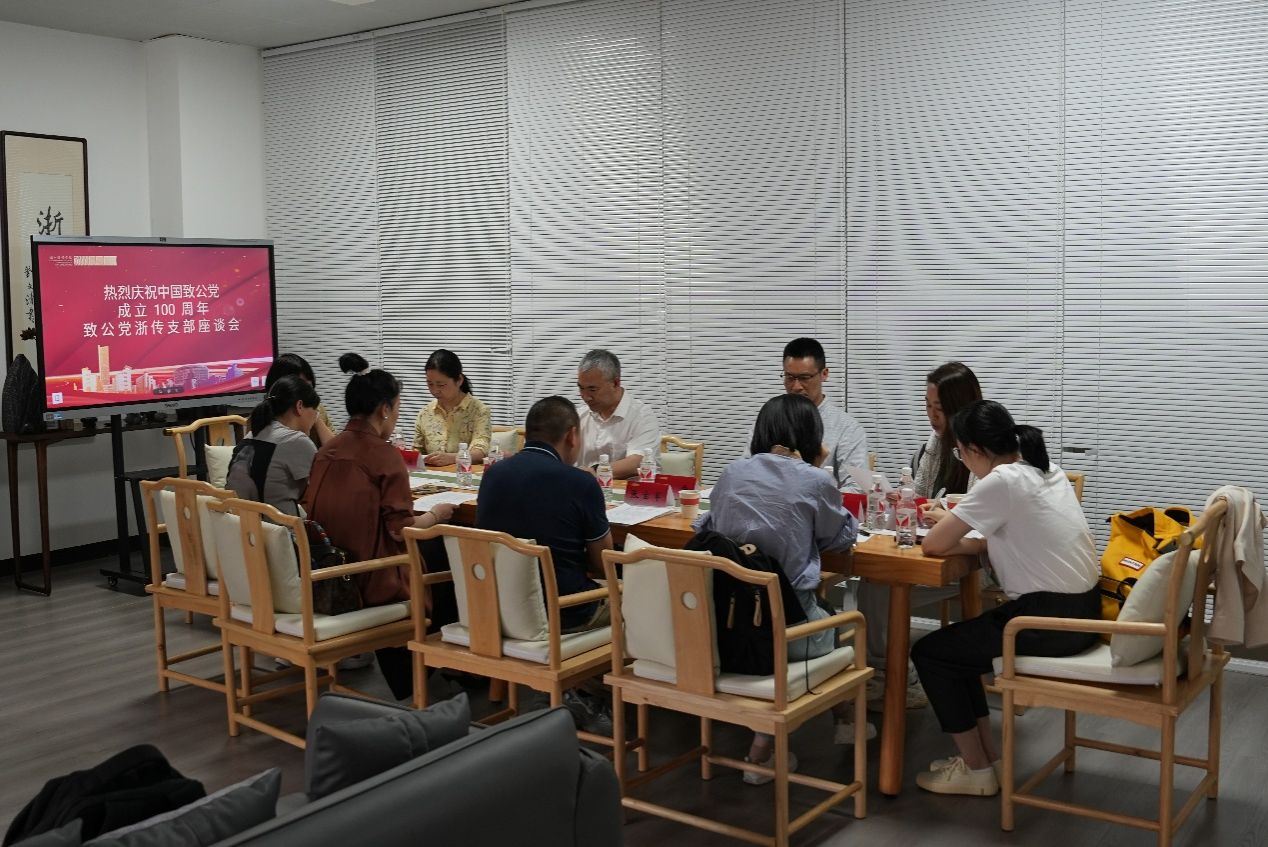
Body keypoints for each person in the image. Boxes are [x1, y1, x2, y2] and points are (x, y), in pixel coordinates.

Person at [913, 400, 1098, 796]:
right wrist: (965, 533)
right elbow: (999, 541)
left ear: (975, 449)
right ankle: (985, 759)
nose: (962, 461)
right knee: (957, 652)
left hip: (1043, 621)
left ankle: (977, 769)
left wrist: (950, 525)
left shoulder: (1002, 481)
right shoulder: (1046, 470)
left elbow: (932, 546)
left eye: (960, 453)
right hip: (1084, 612)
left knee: (931, 654)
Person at [695, 394, 864, 784]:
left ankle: (837, 723)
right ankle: (765, 749)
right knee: (843, 626)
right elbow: (841, 536)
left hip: (723, 627)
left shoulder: (733, 472)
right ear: (812, 435)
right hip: (783, 633)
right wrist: (816, 471)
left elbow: (706, 529)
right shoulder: (814, 479)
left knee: (818, 612)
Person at [303, 357, 458, 700]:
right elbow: (402, 530)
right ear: (385, 409)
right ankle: (436, 674)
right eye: (397, 408)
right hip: (371, 577)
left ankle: (412, 678)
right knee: (446, 561)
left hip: (328, 572)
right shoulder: (383, 456)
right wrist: (437, 514)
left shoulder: (326, 451)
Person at [476, 395, 615, 731]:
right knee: (633, 598)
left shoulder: (493, 475)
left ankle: (567, 690)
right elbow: (603, 564)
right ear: (572, 436)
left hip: (499, 608)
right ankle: (590, 693)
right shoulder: (580, 483)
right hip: (564, 612)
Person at [858, 361, 984, 710]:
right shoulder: (936, 442)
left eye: (939, 408)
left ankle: (897, 677)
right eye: (927, 406)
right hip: (934, 547)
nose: (932, 416)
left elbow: (980, 513)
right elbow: (923, 493)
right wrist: (905, 498)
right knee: (874, 580)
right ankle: (884, 671)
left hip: (973, 557)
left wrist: (943, 514)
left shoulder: (981, 446)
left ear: (960, 406)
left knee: (881, 587)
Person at [753, 338, 868, 493]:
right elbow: (749, 468)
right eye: (789, 377)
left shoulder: (847, 428)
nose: (796, 387)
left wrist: (810, 497)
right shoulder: (770, 419)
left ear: (824, 374)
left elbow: (857, 488)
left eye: (804, 378)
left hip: (819, 506)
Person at [225, 375, 320, 516]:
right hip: (281, 528)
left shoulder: (251, 435)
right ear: (300, 406)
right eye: (315, 410)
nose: (316, 416)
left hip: (240, 526)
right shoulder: (297, 441)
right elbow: (322, 493)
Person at [574, 349, 659, 480]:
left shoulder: (642, 417)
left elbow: (638, 462)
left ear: (615, 383)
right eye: (581, 388)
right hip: (586, 488)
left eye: (592, 389)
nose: (585, 397)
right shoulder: (579, 415)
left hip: (628, 491)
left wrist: (593, 471)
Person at [412, 349, 492, 466]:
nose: (434, 390)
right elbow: (417, 451)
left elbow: (480, 452)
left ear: (459, 380)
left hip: (464, 474)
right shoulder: (425, 413)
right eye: (430, 384)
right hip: (431, 475)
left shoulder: (479, 411)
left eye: (441, 385)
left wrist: (453, 458)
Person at [264, 353, 337, 446]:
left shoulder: (316, 409)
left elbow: (335, 448)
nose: (308, 396)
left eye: (310, 388)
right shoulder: (262, 415)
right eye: (303, 389)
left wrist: (315, 418)